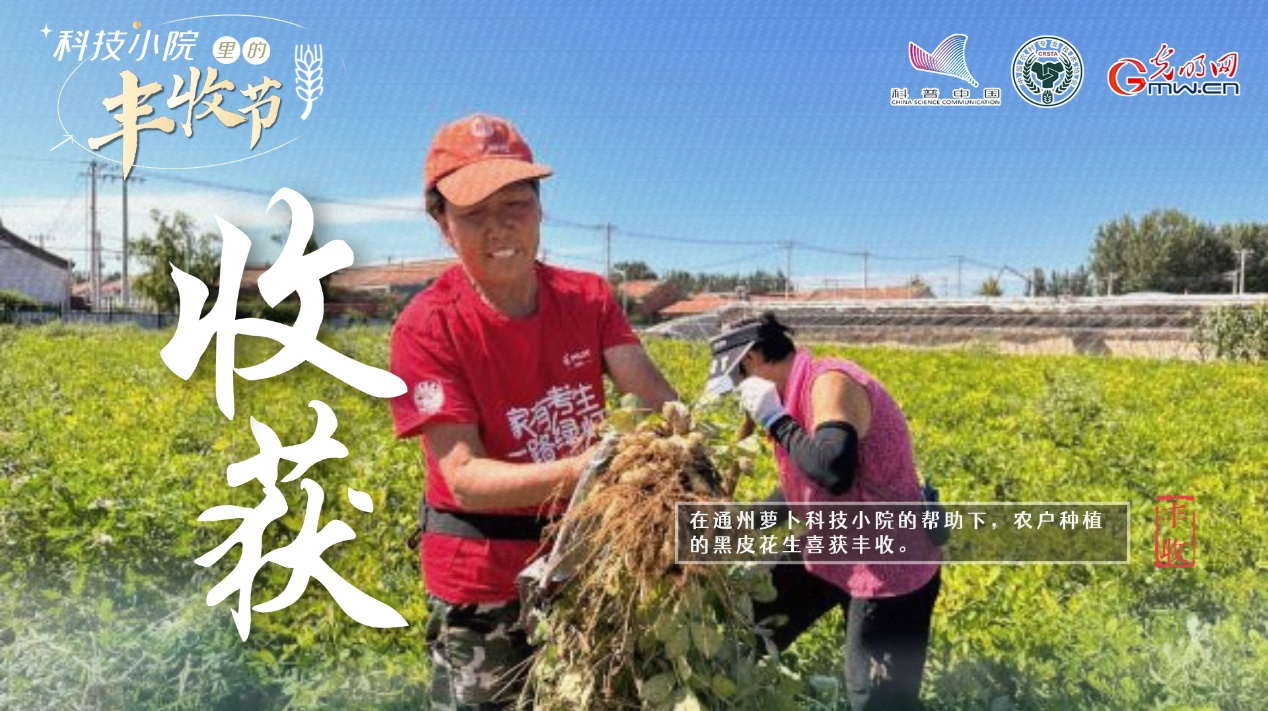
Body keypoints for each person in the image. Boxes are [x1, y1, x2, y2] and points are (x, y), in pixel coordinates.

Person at [389, 113, 678, 710]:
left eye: (515, 205)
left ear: (541, 210)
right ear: (442, 224)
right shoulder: (427, 328)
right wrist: (593, 470)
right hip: (485, 580)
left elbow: (656, 400)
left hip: (587, 565)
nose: (500, 227)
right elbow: (465, 478)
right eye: (473, 213)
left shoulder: (588, 298)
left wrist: (688, 448)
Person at [706, 312, 941, 711]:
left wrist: (775, 419)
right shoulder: (790, 397)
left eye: (738, 377)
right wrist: (740, 525)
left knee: (877, 701)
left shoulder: (828, 382)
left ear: (755, 357)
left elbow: (833, 469)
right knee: (756, 620)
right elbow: (799, 485)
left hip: (887, 562)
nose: (739, 390)